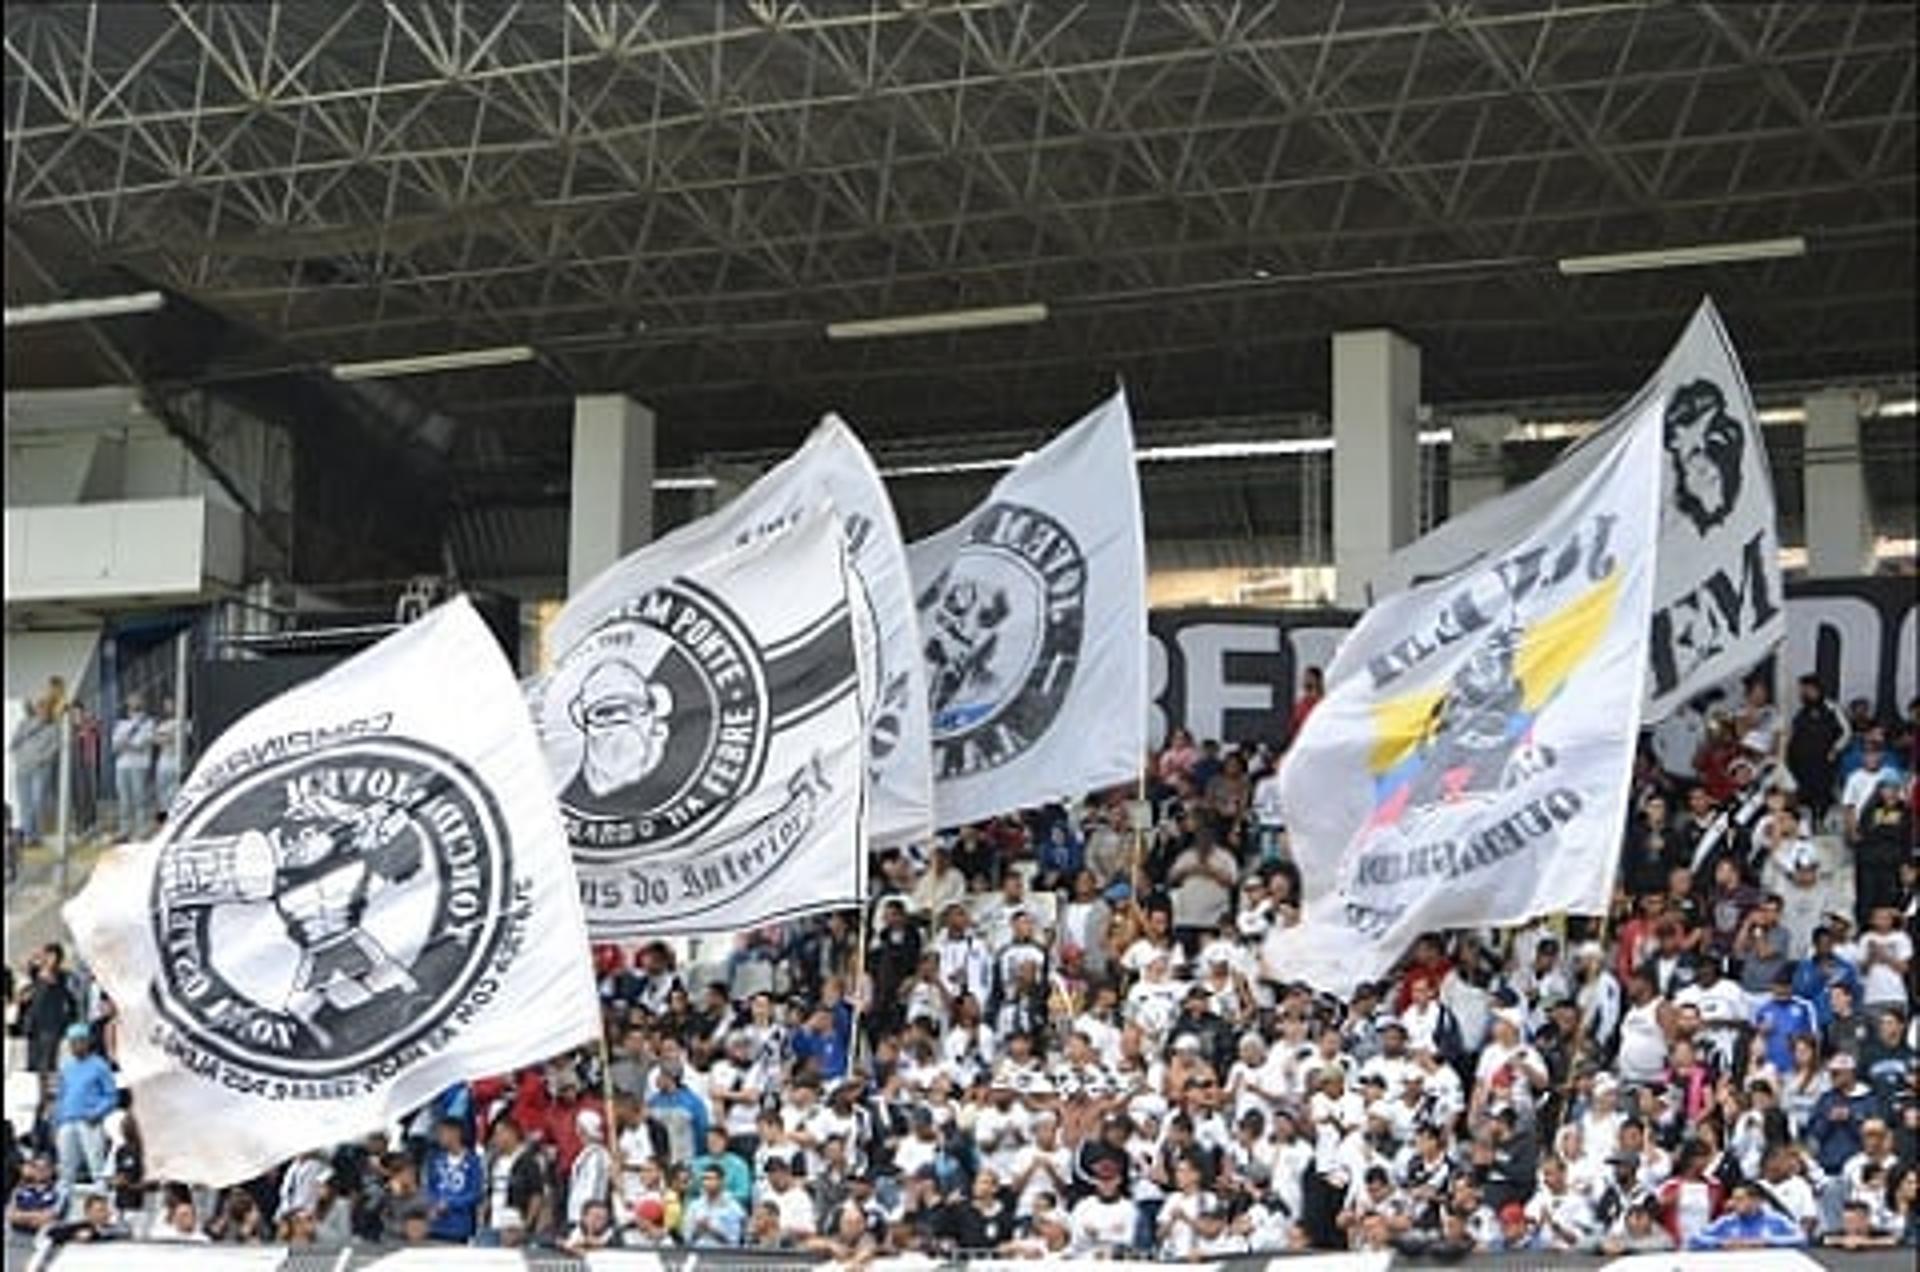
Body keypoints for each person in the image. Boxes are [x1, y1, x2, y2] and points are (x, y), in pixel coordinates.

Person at [51, 1023, 116, 1193]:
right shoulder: (66, 1067)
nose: (75, 1046)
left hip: (89, 1121)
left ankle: (102, 1204)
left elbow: (111, 1096)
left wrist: (97, 1113)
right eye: (72, 1042)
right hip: (67, 1121)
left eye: (79, 1041)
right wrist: (57, 1120)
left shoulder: (100, 1065)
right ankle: (63, 1205)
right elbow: (61, 1096)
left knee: (96, 1166)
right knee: (65, 1168)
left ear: (88, 1042)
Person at [423, 1116, 483, 1243]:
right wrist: (433, 1204)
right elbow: (430, 1187)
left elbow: (475, 1193)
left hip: (458, 1228)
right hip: (434, 1226)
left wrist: (450, 1204)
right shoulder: (436, 1160)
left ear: (456, 1133)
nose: (439, 1137)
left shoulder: (473, 1161)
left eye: (442, 1133)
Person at [110, 694, 155, 839]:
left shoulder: (148, 722)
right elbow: (115, 745)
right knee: (124, 799)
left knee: (139, 797)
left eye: (135, 700)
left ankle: (141, 828)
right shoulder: (121, 723)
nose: (132, 702)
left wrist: (126, 744)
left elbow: (142, 744)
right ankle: (125, 829)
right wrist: (125, 744)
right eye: (130, 700)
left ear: (142, 702)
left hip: (139, 765)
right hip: (122, 766)